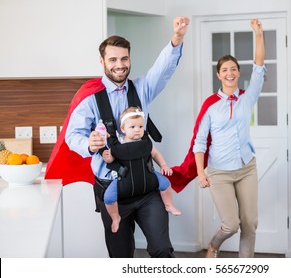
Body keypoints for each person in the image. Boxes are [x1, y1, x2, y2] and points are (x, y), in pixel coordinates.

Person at [46, 16, 190, 258]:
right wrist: (88, 144)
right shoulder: (90, 98)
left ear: (129, 59)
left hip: (146, 189)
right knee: (121, 257)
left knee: (163, 250)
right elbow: (73, 136)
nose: (119, 65)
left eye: (124, 58)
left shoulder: (141, 88)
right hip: (112, 192)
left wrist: (177, 39)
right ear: (102, 61)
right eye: (112, 59)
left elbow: (162, 70)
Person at [193, 19, 266, 258]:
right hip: (219, 172)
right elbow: (200, 142)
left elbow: (259, 67)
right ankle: (214, 245)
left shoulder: (247, 98)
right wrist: (201, 172)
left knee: (249, 222)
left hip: (246, 167)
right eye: (224, 69)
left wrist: (258, 35)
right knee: (231, 224)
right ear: (218, 75)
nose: (230, 73)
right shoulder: (211, 107)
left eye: (233, 69)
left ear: (238, 72)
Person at [102, 106, 181, 233]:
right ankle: (115, 217)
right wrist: (108, 157)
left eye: (140, 126)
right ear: (123, 129)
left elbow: (155, 154)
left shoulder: (145, 143)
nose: (137, 130)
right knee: (108, 198)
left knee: (165, 183)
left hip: (147, 175)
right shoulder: (118, 144)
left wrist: (164, 165)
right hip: (124, 179)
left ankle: (169, 205)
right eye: (132, 127)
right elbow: (111, 160)